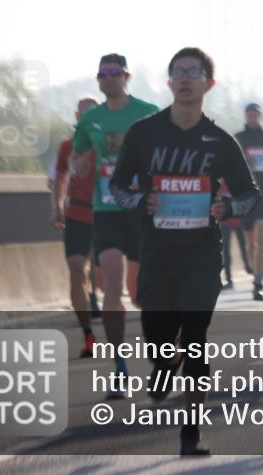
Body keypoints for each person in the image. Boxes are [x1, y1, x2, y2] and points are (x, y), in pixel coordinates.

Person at [110, 47, 260, 456]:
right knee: (158, 336)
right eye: (177, 72)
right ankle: (164, 362)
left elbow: (251, 195)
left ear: (208, 83)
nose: (185, 78)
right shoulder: (144, 133)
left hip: (202, 256)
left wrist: (226, 207)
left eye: (193, 72)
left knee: (195, 338)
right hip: (157, 255)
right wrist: (144, 200)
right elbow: (118, 187)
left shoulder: (220, 141)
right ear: (169, 82)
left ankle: (191, 433)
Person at [71, 53, 159, 397]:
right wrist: (79, 165)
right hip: (105, 209)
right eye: (103, 74)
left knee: (141, 295)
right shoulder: (90, 119)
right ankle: (120, 370)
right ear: (98, 80)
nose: (108, 78)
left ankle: (162, 354)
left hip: (140, 210)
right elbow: (78, 154)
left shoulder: (147, 111)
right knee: (110, 283)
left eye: (114, 73)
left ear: (127, 76)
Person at [52, 96, 100, 357]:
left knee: (103, 274)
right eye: (83, 115)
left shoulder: (108, 144)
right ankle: (88, 335)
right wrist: (57, 206)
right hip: (77, 214)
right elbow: (59, 178)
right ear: (77, 117)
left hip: (106, 214)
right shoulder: (68, 146)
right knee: (75, 269)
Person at [235, 103, 263, 301]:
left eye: (256, 114)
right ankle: (255, 274)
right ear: (246, 116)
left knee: (262, 235)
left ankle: (259, 282)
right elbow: (230, 164)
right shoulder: (238, 139)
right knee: (251, 241)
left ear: (261, 116)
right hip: (245, 195)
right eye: (250, 115)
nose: (253, 118)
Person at [218, 214, 249, 288]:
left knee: (243, 247)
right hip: (226, 222)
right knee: (226, 250)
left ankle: (248, 267)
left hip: (238, 222)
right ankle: (228, 278)